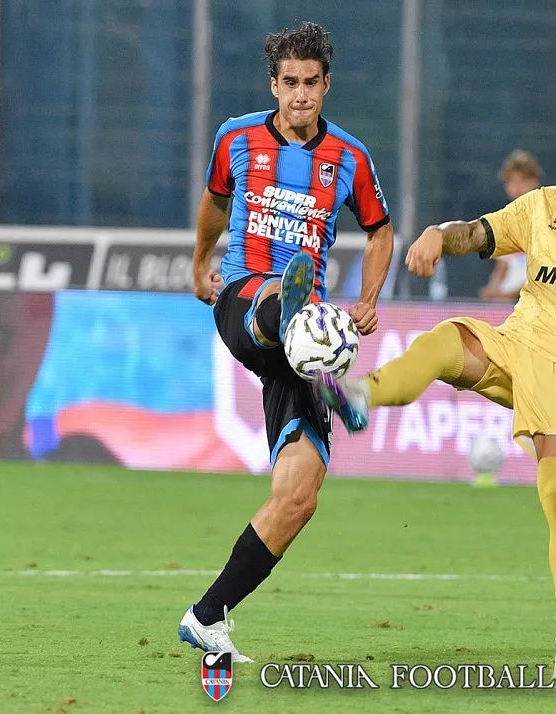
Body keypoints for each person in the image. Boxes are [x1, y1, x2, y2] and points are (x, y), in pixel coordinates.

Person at [315, 99, 556, 682]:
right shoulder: (542, 206)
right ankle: (362, 395)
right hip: (516, 346)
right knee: (448, 339)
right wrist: (438, 236)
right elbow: (479, 233)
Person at [178, 21, 394, 662]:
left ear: (327, 84)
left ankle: (208, 616)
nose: (300, 95)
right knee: (283, 301)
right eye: (289, 83)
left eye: (311, 83)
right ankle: (305, 332)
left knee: (300, 494)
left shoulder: (350, 158)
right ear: (274, 84)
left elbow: (381, 232)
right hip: (246, 300)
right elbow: (216, 203)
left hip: (301, 346)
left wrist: (370, 298)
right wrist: (199, 263)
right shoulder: (236, 138)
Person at [478, 150, 541, 302]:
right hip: (505, 304)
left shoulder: (544, 220)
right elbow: (502, 266)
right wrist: (492, 290)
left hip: (532, 302)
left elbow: (541, 276)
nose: (517, 187)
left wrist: (506, 295)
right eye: (511, 182)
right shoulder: (505, 219)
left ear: (534, 182)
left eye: (523, 181)